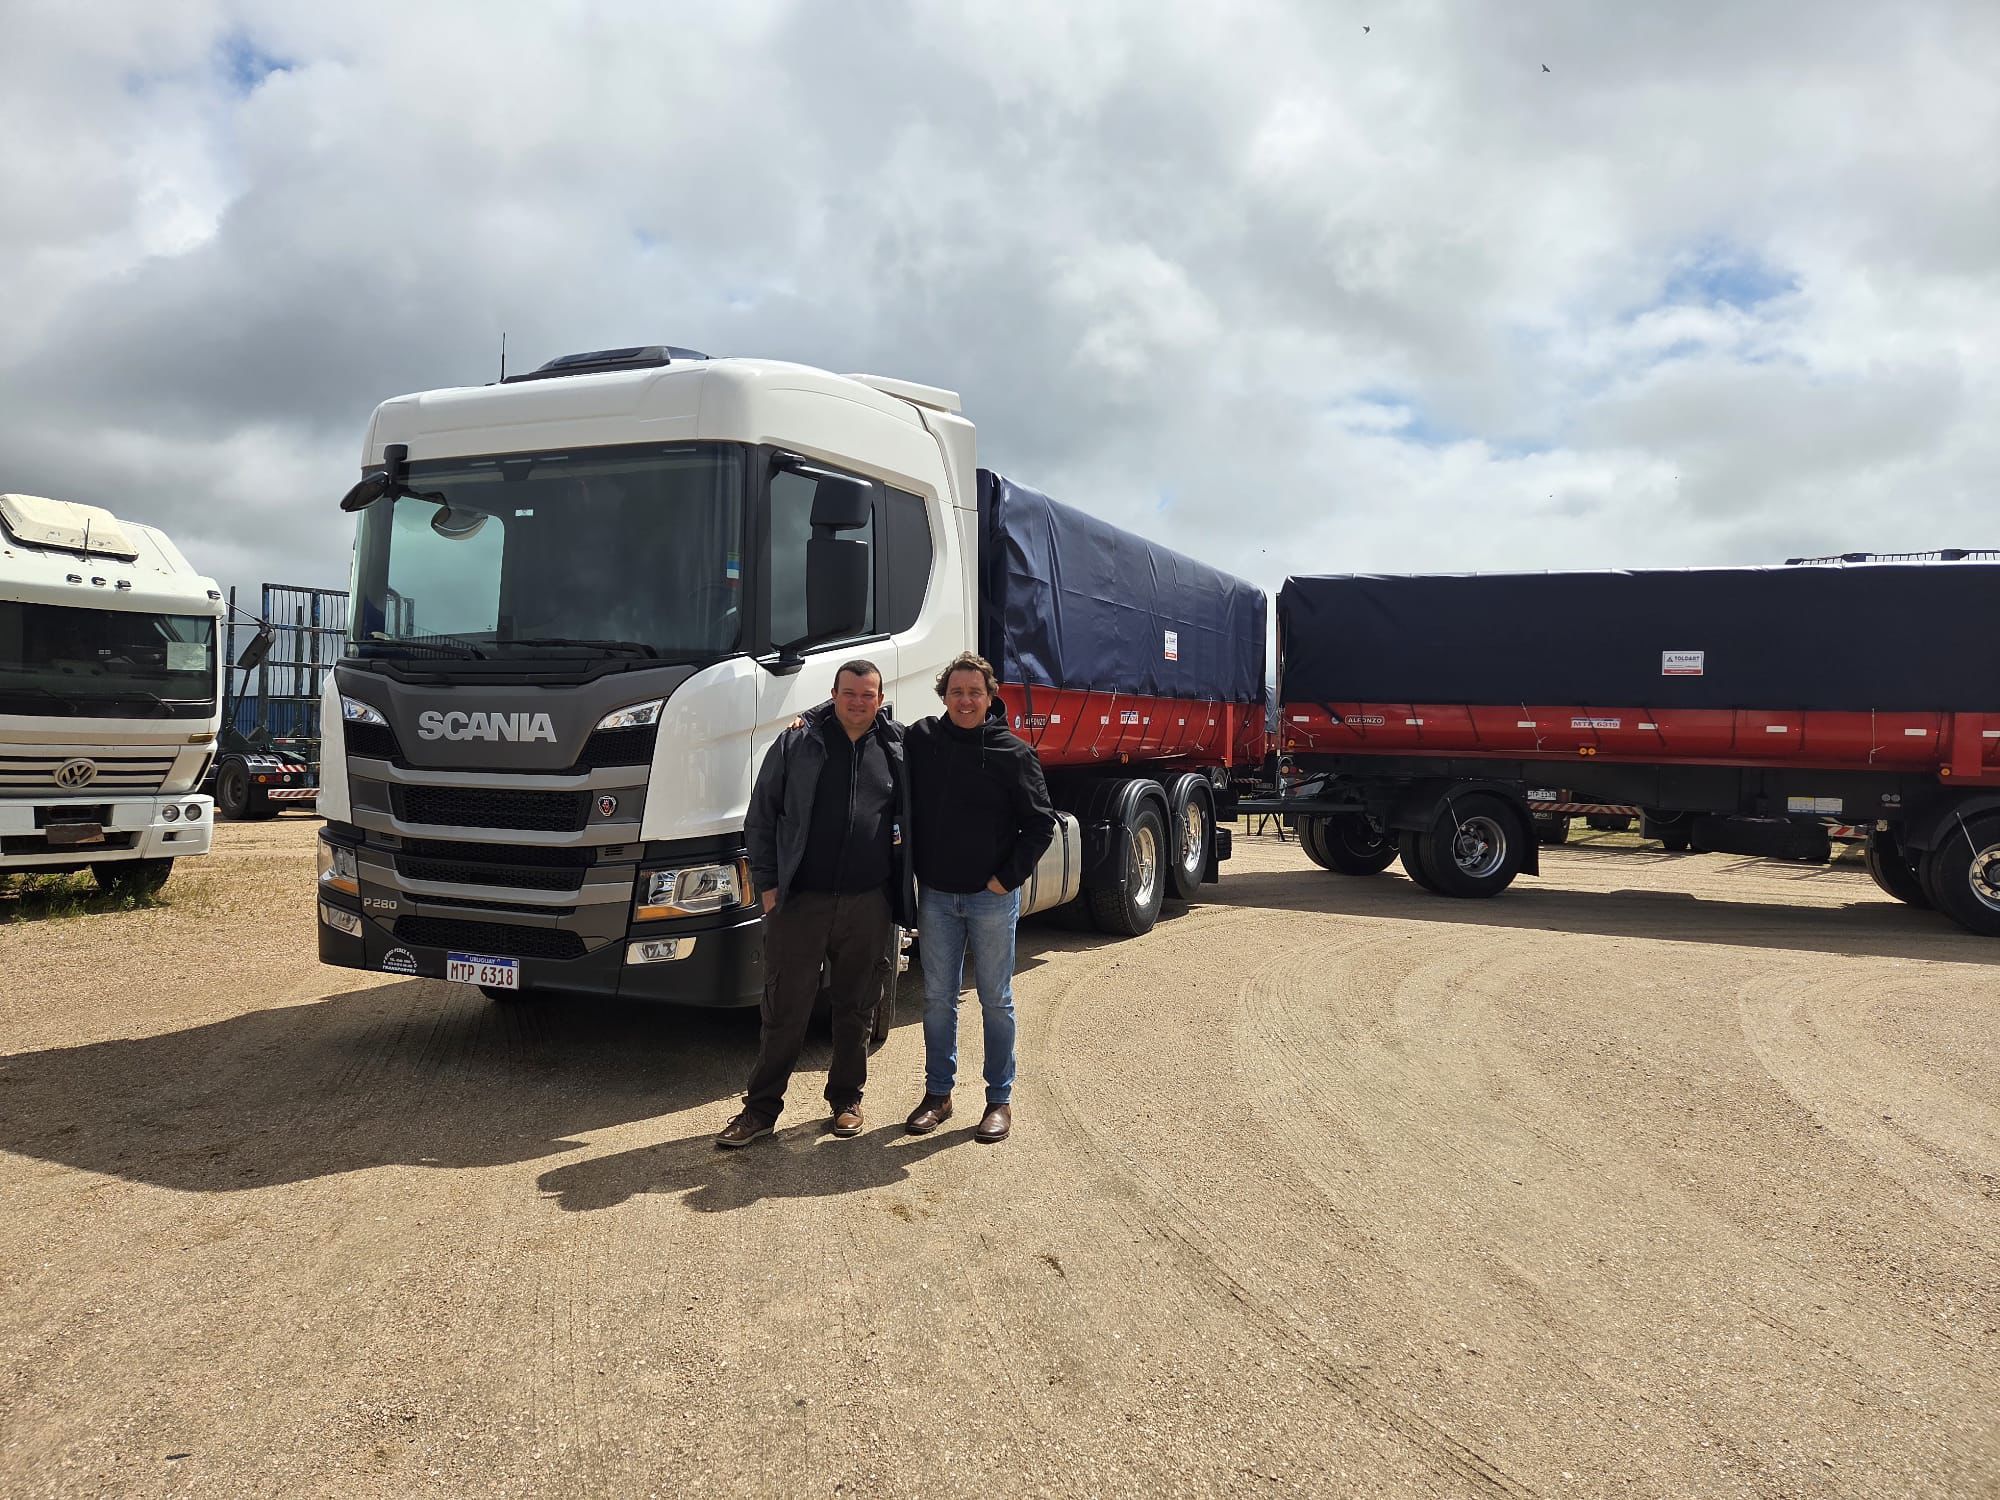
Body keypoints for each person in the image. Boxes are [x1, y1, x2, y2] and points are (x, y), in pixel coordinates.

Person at [716, 660, 914, 1148]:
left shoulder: (897, 745)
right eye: (849, 693)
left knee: (856, 1007)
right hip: (801, 901)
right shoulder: (797, 742)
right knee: (785, 1009)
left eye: (868, 695)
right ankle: (760, 1109)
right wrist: (767, 884)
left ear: (881, 699)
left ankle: (846, 1099)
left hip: (869, 903)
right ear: (833, 693)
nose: (858, 702)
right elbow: (761, 817)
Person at [902, 651, 1056, 1144]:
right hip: (937, 897)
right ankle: (938, 1095)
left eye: (974, 692)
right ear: (943, 696)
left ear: (991, 697)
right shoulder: (922, 739)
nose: (965, 701)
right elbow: (864, 714)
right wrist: (809, 718)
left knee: (995, 1000)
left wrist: (1004, 880)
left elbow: (1040, 825)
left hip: (990, 899)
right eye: (956, 692)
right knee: (937, 999)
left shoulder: (1014, 753)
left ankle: (998, 1099)